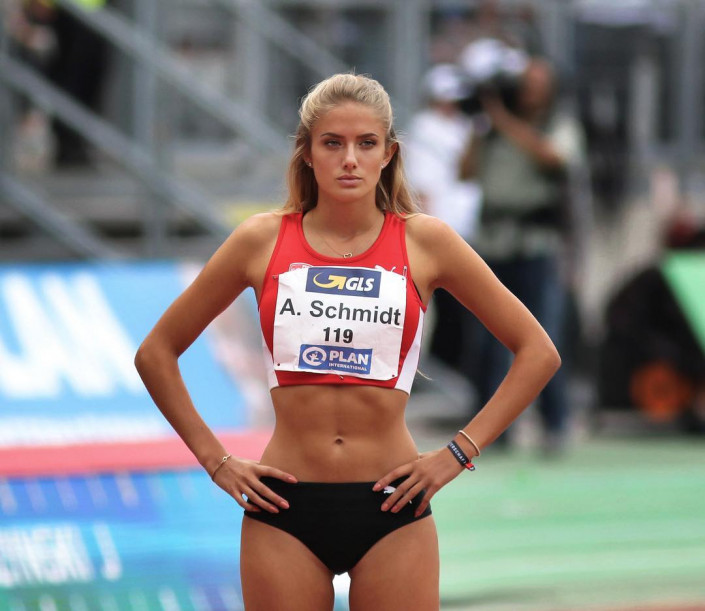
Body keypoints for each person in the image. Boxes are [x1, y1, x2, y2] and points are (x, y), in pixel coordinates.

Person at [135, 73, 560, 610]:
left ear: (389, 153)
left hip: (393, 506)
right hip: (284, 508)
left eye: (366, 143)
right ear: (307, 152)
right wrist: (216, 460)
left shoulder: (426, 241)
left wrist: (458, 453)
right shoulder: (260, 240)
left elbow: (538, 352)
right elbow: (156, 353)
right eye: (332, 143)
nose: (350, 160)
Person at [459, 58, 586, 453]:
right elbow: (464, 172)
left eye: (537, 83)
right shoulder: (492, 131)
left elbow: (555, 158)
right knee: (489, 339)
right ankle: (492, 431)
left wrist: (503, 120)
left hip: (536, 245)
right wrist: (480, 124)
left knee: (542, 336)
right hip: (493, 243)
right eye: (525, 83)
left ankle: (555, 423)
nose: (530, 90)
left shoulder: (556, 124)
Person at [405, 63, 481, 372]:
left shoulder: (468, 126)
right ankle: (442, 371)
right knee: (449, 310)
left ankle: (453, 370)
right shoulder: (426, 127)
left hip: (468, 228)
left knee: (464, 311)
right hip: (444, 230)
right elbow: (423, 184)